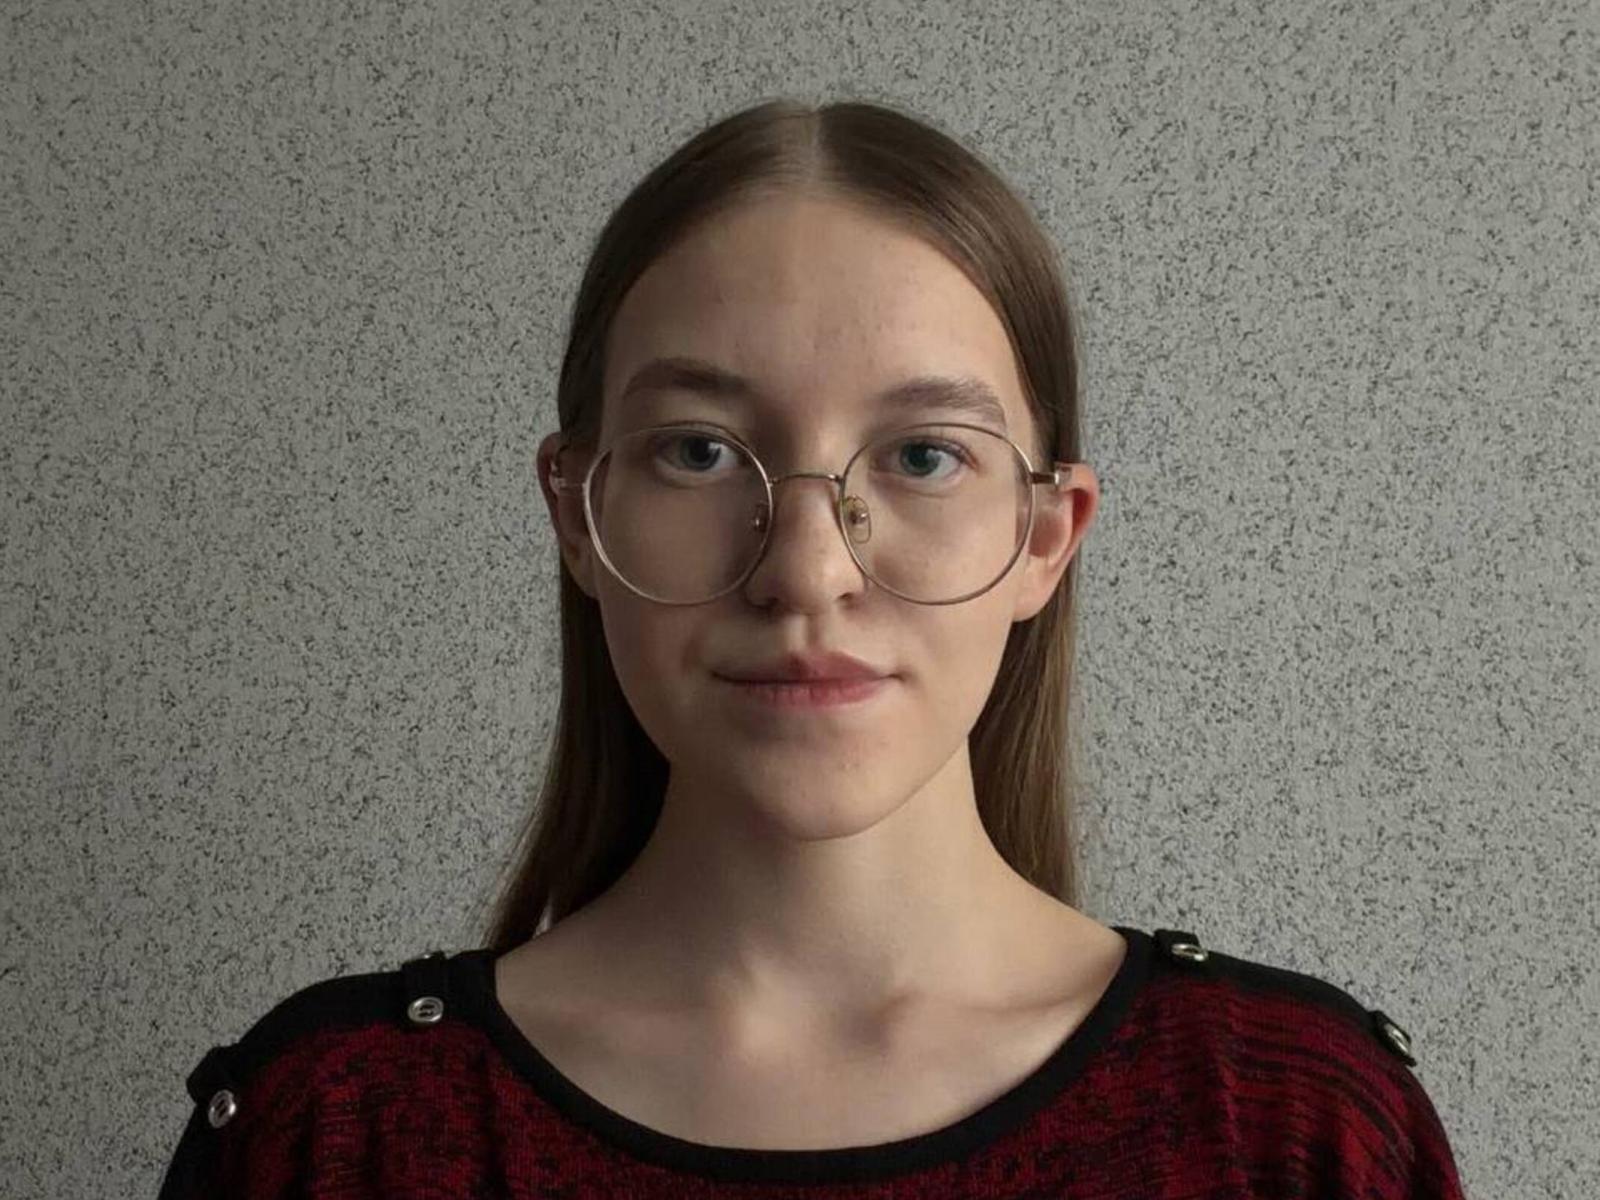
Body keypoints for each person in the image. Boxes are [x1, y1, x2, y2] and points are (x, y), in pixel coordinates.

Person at [158, 97, 1466, 1197]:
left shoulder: (1297, 1128)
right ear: (577, 510)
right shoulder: (327, 1135)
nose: (806, 571)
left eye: (922, 456)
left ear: (1046, 535)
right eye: (698, 452)